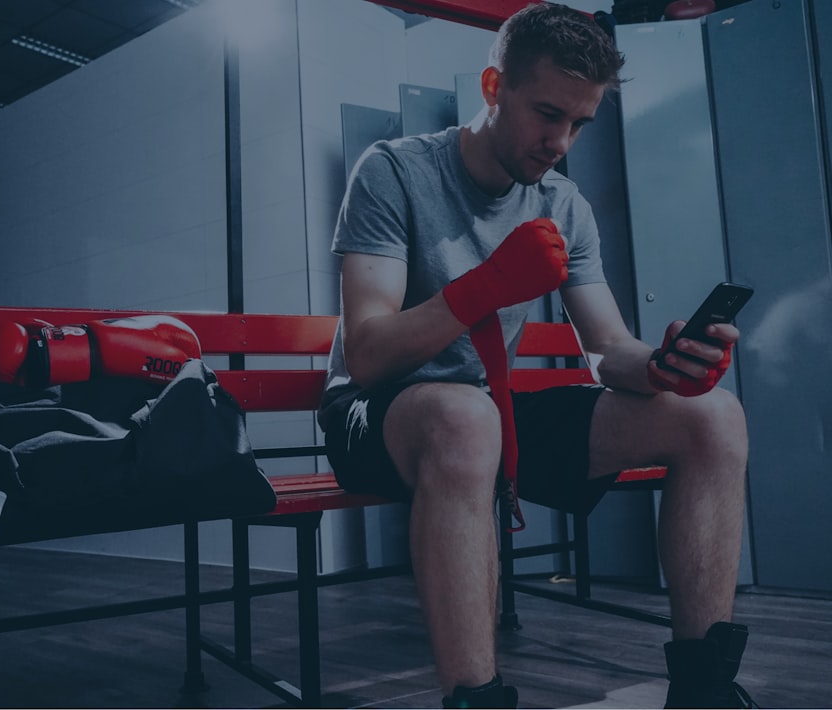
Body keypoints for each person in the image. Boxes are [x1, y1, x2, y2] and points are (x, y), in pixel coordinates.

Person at [317, 3, 755, 708]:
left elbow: (606, 347)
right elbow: (366, 355)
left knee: (714, 418)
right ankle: (477, 698)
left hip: (486, 418)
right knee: (466, 419)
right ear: (494, 88)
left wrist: (662, 367)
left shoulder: (563, 204)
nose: (561, 141)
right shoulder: (393, 171)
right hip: (373, 413)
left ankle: (703, 691)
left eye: (579, 122)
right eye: (547, 113)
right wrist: (484, 288)